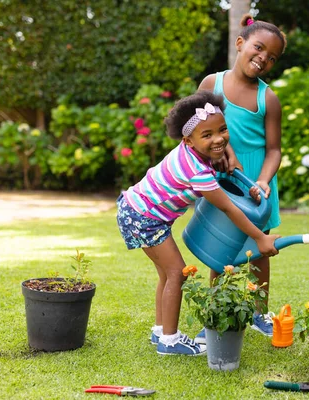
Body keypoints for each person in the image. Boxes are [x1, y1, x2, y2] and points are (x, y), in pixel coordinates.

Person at [116, 90, 280, 356]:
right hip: (144, 218)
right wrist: (260, 237)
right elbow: (228, 207)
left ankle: (161, 331)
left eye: (223, 130)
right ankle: (170, 341)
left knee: (165, 274)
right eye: (208, 135)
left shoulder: (193, 153)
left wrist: (240, 175)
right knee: (176, 273)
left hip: (136, 209)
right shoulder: (197, 171)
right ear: (188, 140)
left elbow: (219, 160)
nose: (219, 139)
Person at [197, 13, 287, 341]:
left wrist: (263, 180)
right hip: (221, 180)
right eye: (259, 48)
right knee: (217, 249)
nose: (263, 58)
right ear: (240, 43)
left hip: (256, 186)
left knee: (259, 252)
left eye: (272, 57)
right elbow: (194, 128)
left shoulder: (268, 99)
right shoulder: (212, 84)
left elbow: (274, 150)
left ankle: (259, 313)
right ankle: (215, 313)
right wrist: (213, 156)